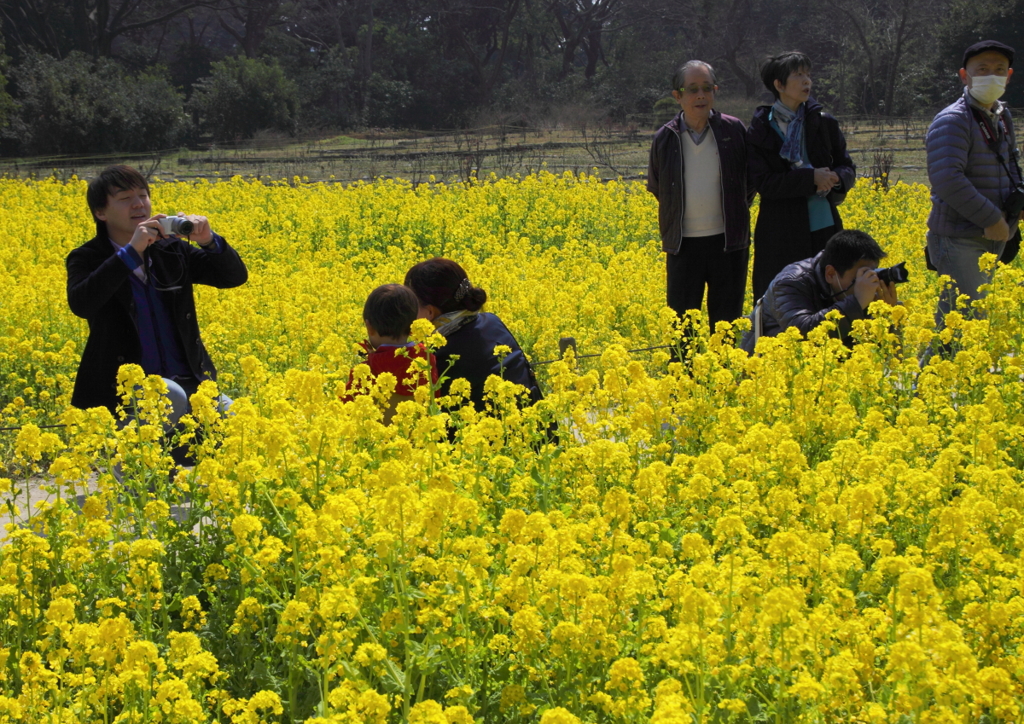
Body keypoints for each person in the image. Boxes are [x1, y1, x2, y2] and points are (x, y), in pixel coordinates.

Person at [67, 165, 248, 426]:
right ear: (100, 212)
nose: (138, 204)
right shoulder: (88, 257)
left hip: (190, 384)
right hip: (126, 395)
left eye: (143, 195)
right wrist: (130, 252)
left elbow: (233, 278)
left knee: (242, 424)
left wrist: (209, 240)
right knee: (168, 399)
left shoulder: (171, 250)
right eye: (125, 198)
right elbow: (82, 303)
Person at [647, 60, 753, 333]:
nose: (701, 95)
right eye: (692, 89)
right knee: (682, 328)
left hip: (729, 243)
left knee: (726, 326)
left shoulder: (734, 130)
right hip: (683, 245)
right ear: (677, 96)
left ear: (715, 91)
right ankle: (683, 375)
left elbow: (750, 180)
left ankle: (725, 373)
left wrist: (735, 210)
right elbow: (659, 186)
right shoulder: (665, 138)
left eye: (707, 88)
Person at [926, 40, 1022, 329]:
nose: (991, 75)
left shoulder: (1002, 115)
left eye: (999, 69)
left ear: (1009, 76)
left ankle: (942, 374)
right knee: (964, 324)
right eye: (982, 69)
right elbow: (947, 179)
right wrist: (991, 218)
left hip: (995, 233)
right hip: (961, 237)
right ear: (964, 75)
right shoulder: (953, 120)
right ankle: (930, 375)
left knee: (963, 324)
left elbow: (1012, 162)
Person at [747, 51, 856, 302]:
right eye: (798, 75)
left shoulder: (823, 122)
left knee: (827, 300)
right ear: (779, 85)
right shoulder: (762, 127)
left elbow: (847, 167)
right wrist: (811, 179)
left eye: (808, 74)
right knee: (782, 302)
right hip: (780, 231)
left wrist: (836, 179)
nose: (807, 81)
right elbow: (764, 182)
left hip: (823, 227)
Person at [404, 258, 543, 411]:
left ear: (430, 311)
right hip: (538, 428)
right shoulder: (492, 321)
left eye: (411, 305)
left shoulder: (437, 356)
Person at [740, 229, 898, 353]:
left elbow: (878, 355)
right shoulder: (791, 283)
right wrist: (858, 302)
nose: (868, 284)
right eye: (860, 276)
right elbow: (802, 332)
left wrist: (883, 316)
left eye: (871, 274)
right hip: (773, 373)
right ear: (830, 274)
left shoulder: (854, 290)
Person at [342, 283, 439, 423]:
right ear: (414, 325)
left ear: (369, 327)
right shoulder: (427, 360)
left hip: (376, 442)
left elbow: (346, 413)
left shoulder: (365, 370)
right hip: (422, 440)